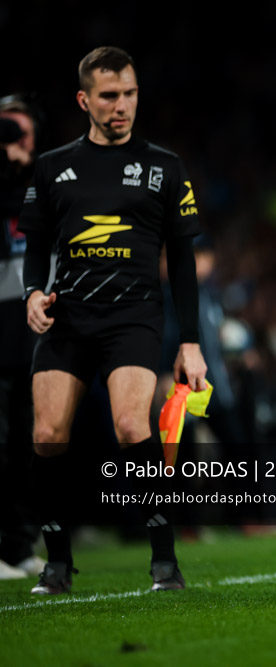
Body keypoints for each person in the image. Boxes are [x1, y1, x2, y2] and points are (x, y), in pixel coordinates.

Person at [17, 46, 207, 594]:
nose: (121, 105)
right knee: (48, 435)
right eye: (108, 96)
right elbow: (34, 246)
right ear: (84, 100)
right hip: (69, 318)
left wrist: (189, 341)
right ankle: (56, 563)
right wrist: (34, 291)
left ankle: (165, 560)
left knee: (132, 427)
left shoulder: (165, 167)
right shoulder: (53, 166)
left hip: (134, 319)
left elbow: (185, 260)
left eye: (128, 94)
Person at [0, 93, 46, 580]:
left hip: (30, 334)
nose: (11, 142)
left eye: (19, 133)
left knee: (29, 445)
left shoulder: (43, 186)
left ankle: (17, 545)